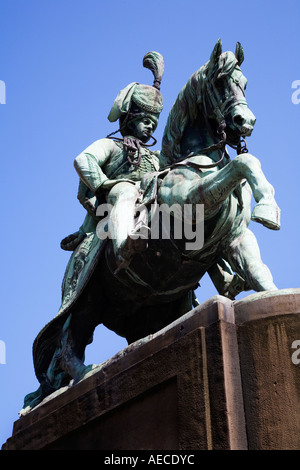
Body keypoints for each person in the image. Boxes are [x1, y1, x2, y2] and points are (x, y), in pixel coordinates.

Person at [61, 51, 164, 269]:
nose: (150, 127)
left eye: (153, 124)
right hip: (114, 198)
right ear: (129, 119)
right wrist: (106, 185)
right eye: (145, 120)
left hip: (150, 199)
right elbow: (84, 159)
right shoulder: (111, 145)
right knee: (127, 190)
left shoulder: (156, 156)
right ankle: (124, 245)